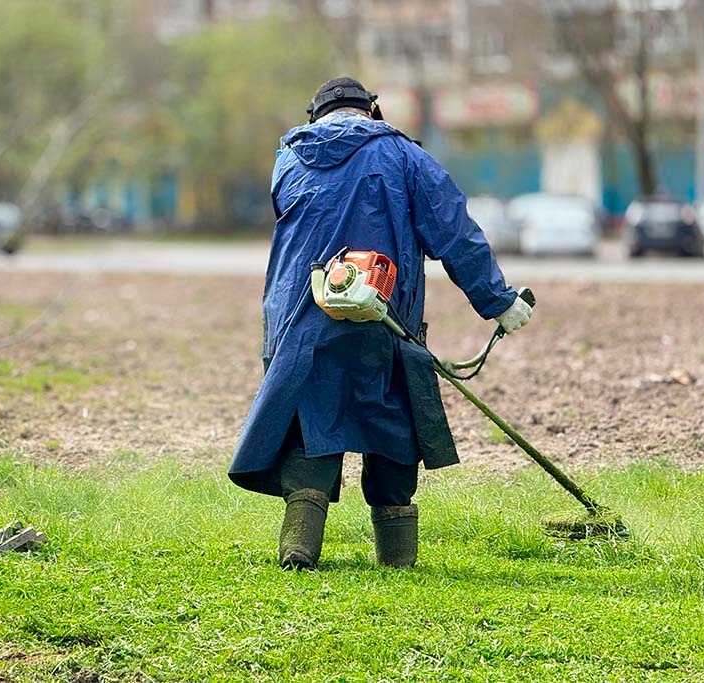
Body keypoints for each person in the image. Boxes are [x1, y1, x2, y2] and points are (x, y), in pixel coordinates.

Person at [228, 77, 533, 570]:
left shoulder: (289, 159)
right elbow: (453, 230)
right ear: (372, 110)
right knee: (391, 425)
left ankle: (299, 550)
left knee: (312, 423)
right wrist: (497, 301)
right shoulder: (405, 157)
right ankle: (396, 561)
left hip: (301, 320)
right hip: (384, 318)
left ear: (315, 116)